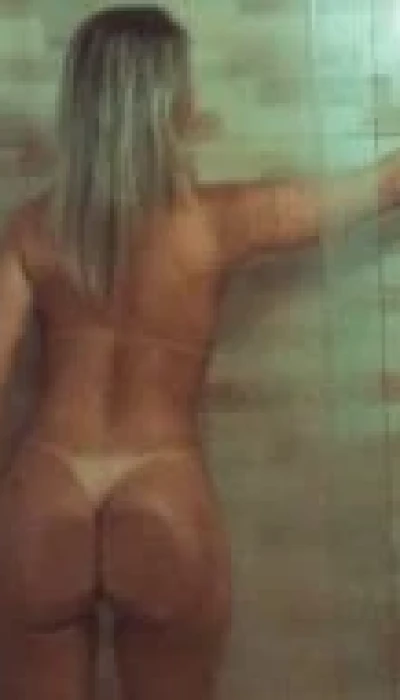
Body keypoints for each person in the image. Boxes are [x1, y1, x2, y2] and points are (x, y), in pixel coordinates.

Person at [0, 5, 399, 700]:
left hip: (48, 487)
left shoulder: (32, 228)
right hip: (161, 484)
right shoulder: (220, 221)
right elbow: (388, 183)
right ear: (171, 105)